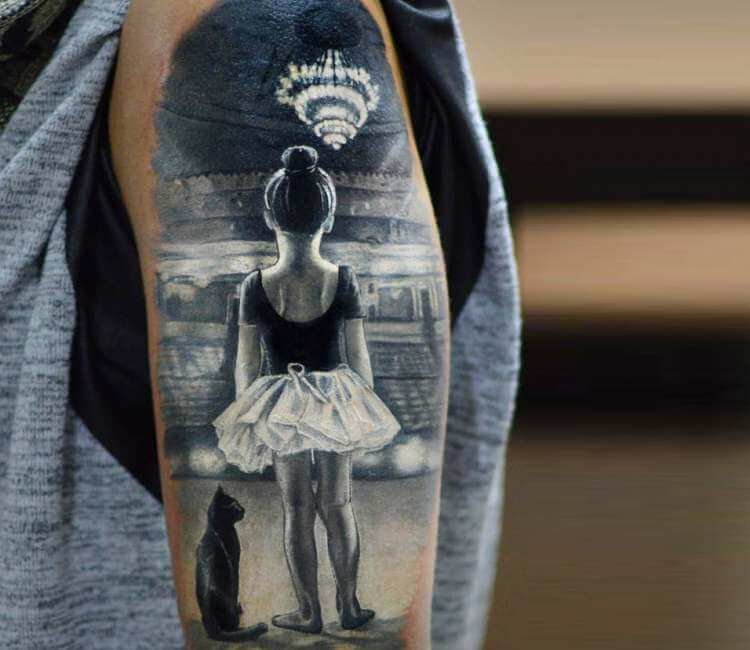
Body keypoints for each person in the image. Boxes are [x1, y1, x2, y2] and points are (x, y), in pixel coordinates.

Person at [213, 145, 399, 633]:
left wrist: (249, 412)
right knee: (338, 504)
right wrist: (362, 408)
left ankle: (309, 612)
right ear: (329, 218)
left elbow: (246, 362)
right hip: (336, 398)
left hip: (281, 402)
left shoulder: (255, 285)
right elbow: (358, 355)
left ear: (269, 217)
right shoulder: (344, 279)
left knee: (297, 508)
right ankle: (349, 607)